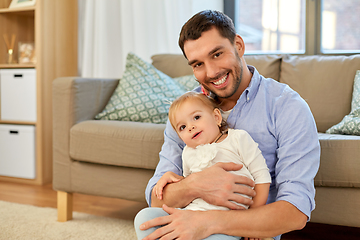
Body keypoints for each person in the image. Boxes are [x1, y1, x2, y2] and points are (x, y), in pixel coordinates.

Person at [135, 10, 320, 240]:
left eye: (217, 54)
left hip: (246, 231)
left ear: (239, 45)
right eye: (198, 64)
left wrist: (206, 223)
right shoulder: (185, 113)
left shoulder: (287, 107)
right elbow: (156, 197)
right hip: (192, 217)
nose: (211, 72)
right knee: (146, 220)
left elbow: (296, 212)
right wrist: (196, 186)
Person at [153, 92, 271, 213]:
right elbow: (189, 185)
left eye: (196, 117)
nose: (190, 127)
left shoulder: (237, 139)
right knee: (144, 217)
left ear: (216, 117)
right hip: (196, 212)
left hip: (233, 216)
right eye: (182, 127)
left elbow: (262, 177)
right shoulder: (188, 153)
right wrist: (170, 177)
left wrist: (251, 216)